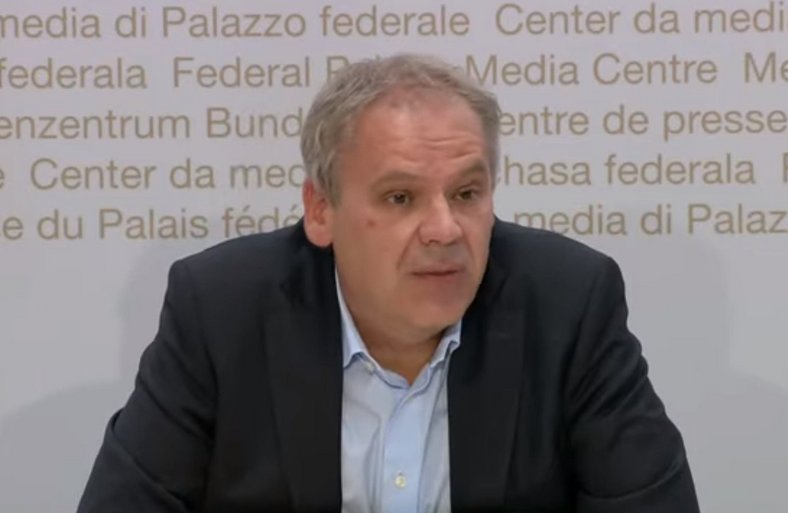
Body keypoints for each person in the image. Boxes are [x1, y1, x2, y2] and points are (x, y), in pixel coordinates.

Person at [78, 53, 699, 513]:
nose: (445, 229)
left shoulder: (568, 304)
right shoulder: (221, 310)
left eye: (467, 193)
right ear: (321, 210)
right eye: (400, 197)